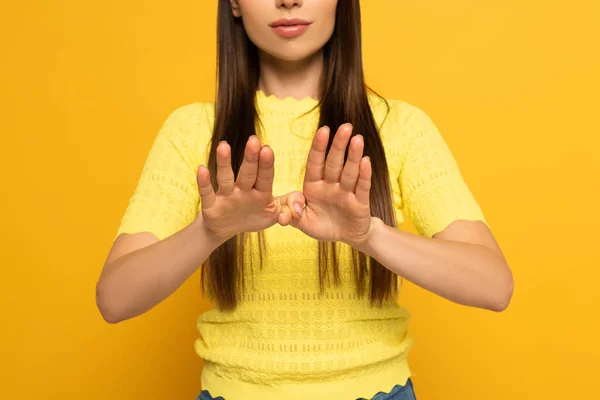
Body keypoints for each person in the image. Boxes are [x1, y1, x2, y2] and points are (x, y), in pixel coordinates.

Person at [96, 1, 514, 399]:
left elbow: (493, 285)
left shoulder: (401, 128)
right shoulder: (191, 131)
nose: (289, 1)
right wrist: (209, 232)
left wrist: (369, 235)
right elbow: (114, 299)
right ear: (235, 3)